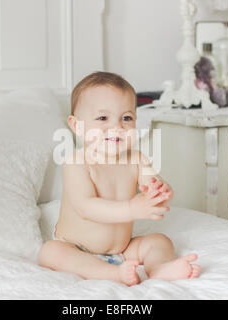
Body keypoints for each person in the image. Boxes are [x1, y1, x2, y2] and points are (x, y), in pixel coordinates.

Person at [38, 72, 200, 286]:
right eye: (103, 118)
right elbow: (86, 207)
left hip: (122, 250)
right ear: (77, 126)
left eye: (126, 118)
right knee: (50, 252)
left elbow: (154, 188)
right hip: (76, 247)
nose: (117, 127)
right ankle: (112, 274)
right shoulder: (77, 163)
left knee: (159, 241)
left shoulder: (137, 159)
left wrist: (161, 194)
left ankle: (159, 267)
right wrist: (132, 208)